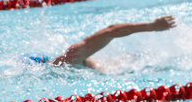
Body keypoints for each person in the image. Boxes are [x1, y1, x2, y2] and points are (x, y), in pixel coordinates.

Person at [27, 15, 177, 69]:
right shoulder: (66, 63)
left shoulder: (73, 55)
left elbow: (111, 31)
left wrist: (151, 26)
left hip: (125, 69)